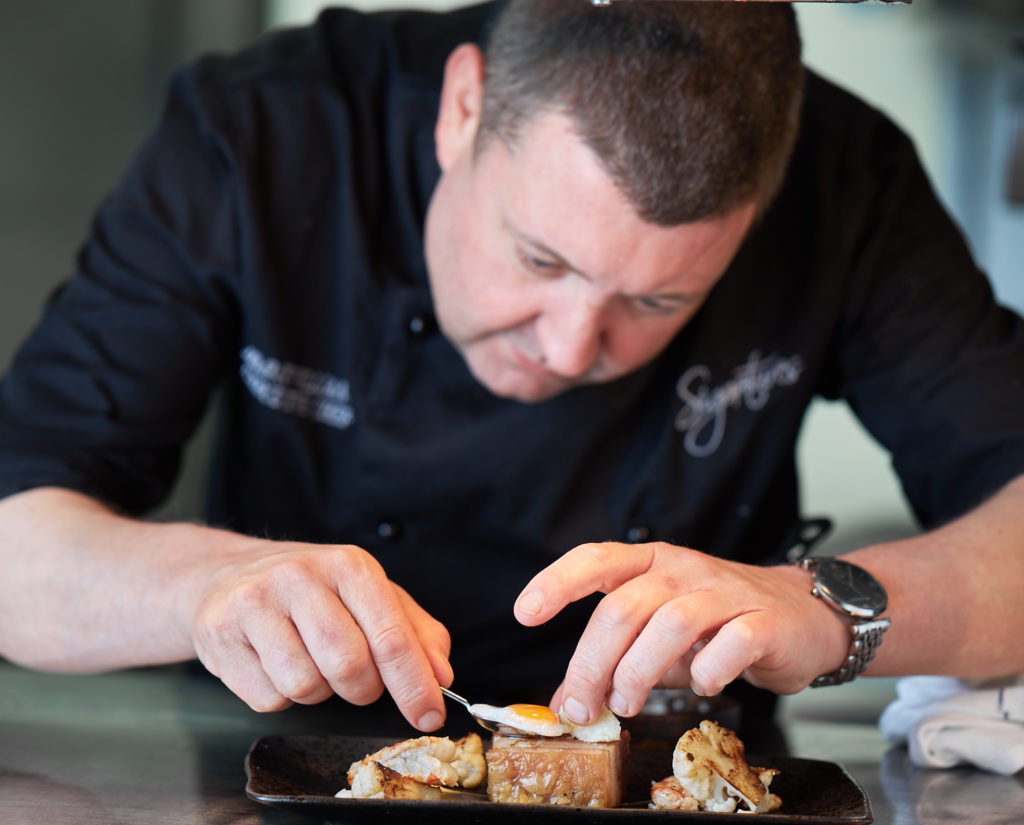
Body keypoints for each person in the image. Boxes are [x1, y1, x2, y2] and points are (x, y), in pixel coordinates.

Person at [1, 1, 1022, 737]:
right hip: (285, 788)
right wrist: (202, 586)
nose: (572, 347)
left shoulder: (849, 184)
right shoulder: (269, 131)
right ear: (462, 108)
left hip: (683, 791)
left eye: (656, 302)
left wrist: (822, 611)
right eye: (540, 261)